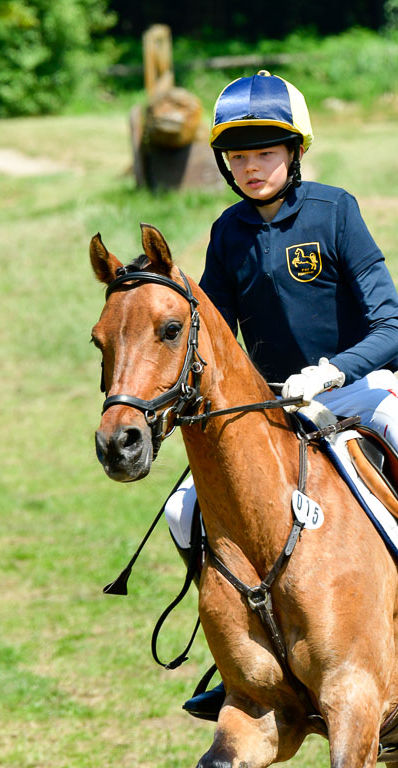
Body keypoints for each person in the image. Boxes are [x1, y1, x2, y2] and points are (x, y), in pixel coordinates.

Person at [166, 70, 398, 720]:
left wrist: (332, 371)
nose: (252, 166)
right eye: (239, 156)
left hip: (359, 389)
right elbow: (211, 333)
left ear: (295, 152)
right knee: (183, 509)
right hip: (274, 412)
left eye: (266, 152)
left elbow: (392, 324)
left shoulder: (335, 210)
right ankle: (236, 652)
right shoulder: (228, 231)